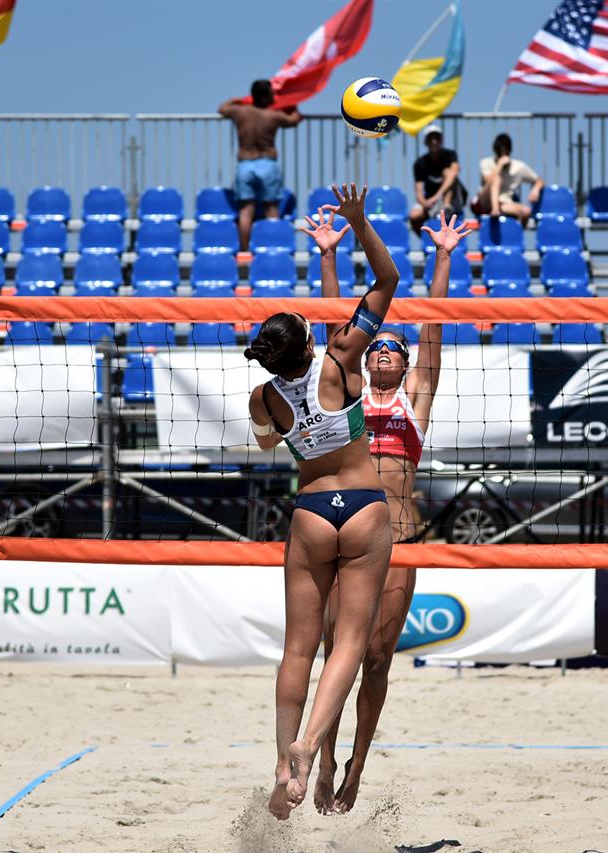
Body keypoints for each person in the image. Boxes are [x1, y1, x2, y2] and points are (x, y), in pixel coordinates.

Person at [246, 183, 400, 821]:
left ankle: (283, 766)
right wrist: (359, 223)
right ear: (310, 343)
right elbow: (388, 280)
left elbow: (264, 445)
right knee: (351, 643)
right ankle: (311, 746)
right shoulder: (340, 360)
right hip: (363, 506)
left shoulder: (264, 398)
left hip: (311, 512)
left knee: (297, 649)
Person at [311, 209, 471, 815]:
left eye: (392, 349)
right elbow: (337, 332)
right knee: (337, 654)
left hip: (400, 540)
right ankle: (325, 758)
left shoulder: (413, 402)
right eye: (376, 345)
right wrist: (329, 254)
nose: (381, 351)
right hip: (345, 533)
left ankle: (356, 767)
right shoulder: (347, 398)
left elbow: (433, 330)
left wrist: (444, 256)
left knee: (376, 660)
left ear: (404, 364)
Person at [219, 79, 303, 251]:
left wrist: (236, 99)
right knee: (271, 209)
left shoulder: (240, 112)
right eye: (272, 94)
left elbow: (222, 109)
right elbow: (294, 119)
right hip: (267, 165)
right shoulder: (274, 116)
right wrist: (291, 103)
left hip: (245, 165)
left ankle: (244, 251)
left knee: (245, 211)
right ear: (266, 97)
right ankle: (273, 249)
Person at [471, 132, 545, 221]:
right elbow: (488, 180)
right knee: (497, 179)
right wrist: (499, 165)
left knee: (526, 211)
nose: (503, 154)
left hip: (504, 203)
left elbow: (539, 180)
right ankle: (495, 210)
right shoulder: (485, 162)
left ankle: (516, 225)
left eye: (505, 151)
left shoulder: (518, 167)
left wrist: (536, 189)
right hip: (484, 202)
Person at [408, 124, 467, 235]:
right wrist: (425, 203)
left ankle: (447, 206)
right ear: (426, 142)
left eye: (437, 138)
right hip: (432, 202)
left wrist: (437, 197)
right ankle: (428, 240)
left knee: (448, 172)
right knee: (414, 216)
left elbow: (454, 172)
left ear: (442, 140)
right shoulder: (419, 163)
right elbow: (419, 191)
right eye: (430, 138)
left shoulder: (450, 155)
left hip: (453, 200)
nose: (434, 141)